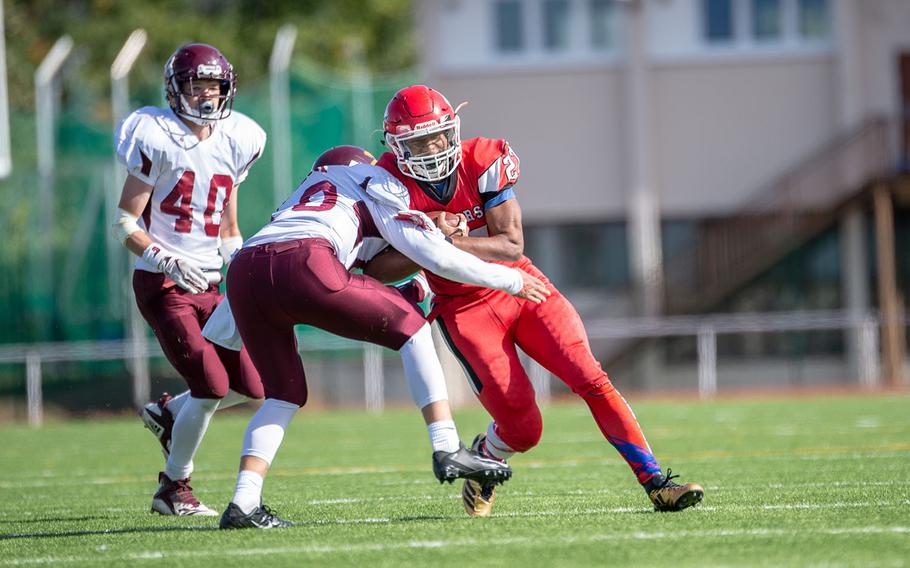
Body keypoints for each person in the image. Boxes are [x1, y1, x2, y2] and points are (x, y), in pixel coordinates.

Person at [366, 85, 705, 517]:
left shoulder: (483, 158)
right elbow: (376, 269)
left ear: (452, 130)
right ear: (397, 145)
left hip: (520, 285)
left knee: (590, 375)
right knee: (525, 430)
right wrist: (425, 236)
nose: (431, 149)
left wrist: (445, 238)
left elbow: (509, 244)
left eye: (436, 137)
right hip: (462, 310)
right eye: (417, 142)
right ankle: (487, 455)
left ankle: (656, 482)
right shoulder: (387, 180)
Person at [208, 145, 550, 529]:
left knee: (283, 395)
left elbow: (355, 284)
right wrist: (510, 279)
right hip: (306, 261)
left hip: (245, 271)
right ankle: (447, 447)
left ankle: (244, 503)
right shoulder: (375, 181)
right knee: (414, 330)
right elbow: (434, 257)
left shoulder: (302, 197)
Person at [112, 43, 266, 516]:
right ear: (176, 89)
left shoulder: (238, 138)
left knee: (253, 388)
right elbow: (124, 223)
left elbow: (228, 226)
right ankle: (172, 488)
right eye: (195, 85)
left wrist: (238, 266)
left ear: (228, 90)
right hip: (162, 283)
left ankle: (169, 413)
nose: (205, 96)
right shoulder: (154, 134)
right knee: (212, 385)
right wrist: (164, 258)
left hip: (210, 285)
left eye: (213, 86)